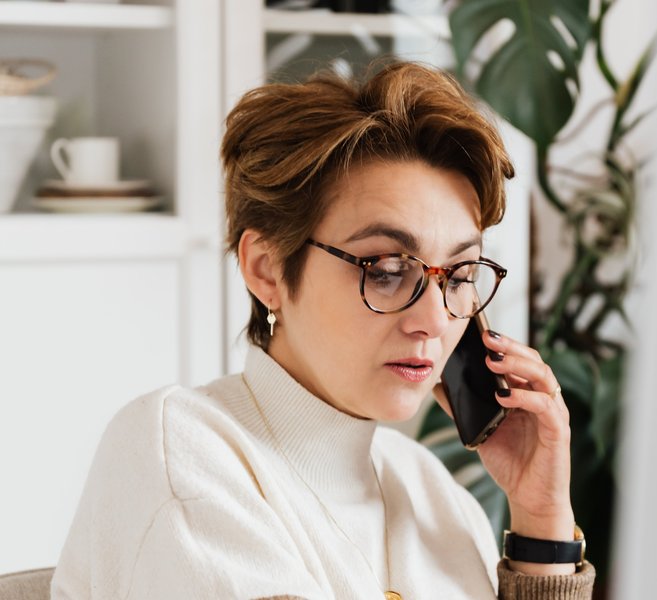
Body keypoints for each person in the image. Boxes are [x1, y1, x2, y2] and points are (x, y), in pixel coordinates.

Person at [51, 62, 595, 599]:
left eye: (460, 275)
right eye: (385, 270)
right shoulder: (177, 450)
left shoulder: (430, 492)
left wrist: (541, 521)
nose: (434, 319)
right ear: (266, 268)